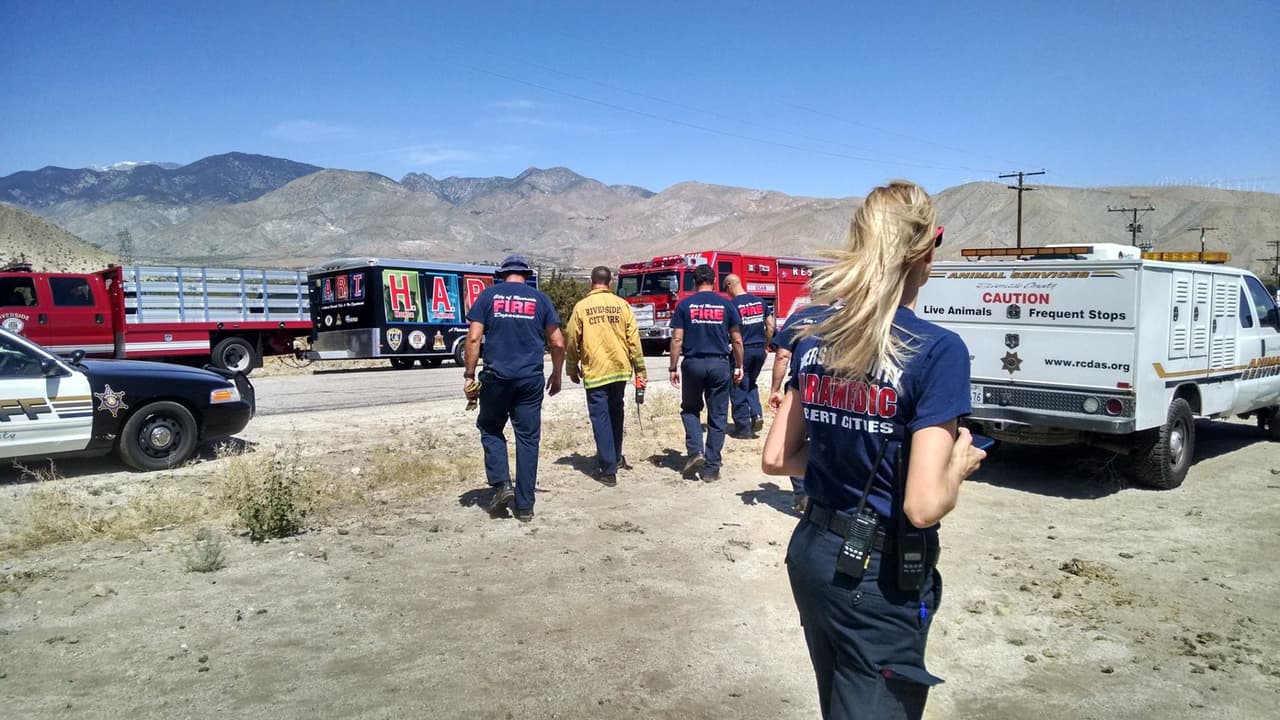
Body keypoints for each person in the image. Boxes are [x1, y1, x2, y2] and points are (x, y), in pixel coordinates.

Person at [762, 182, 985, 719]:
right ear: (927, 247)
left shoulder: (815, 339)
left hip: (813, 551)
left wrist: (848, 453)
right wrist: (957, 464)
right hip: (878, 572)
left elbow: (775, 458)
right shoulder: (937, 350)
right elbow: (923, 506)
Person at [464, 255, 565, 522]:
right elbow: (557, 343)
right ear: (527, 276)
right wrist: (556, 374)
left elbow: (473, 338)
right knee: (528, 438)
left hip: (496, 377)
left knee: (489, 427)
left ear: (502, 275)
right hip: (530, 380)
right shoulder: (540, 300)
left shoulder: (488, 297)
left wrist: (469, 374)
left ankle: (501, 484)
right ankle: (525, 507)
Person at [564, 265, 647, 486]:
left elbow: (571, 339)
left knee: (600, 418)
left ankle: (609, 469)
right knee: (616, 413)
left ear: (592, 282)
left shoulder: (582, 307)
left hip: (596, 371)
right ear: (609, 283)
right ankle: (616, 456)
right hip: (620, 370)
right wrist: (640, 370)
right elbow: (634, 341)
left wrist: (571, 367)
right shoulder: (623, 306)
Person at [669, 263, 744, 482]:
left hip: (692, 363)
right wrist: (739, 366)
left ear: (694, 281)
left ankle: (695, 451)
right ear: (714, 282)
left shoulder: (684, 305)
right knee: (718, 415)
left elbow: (677, 339)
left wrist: (673, 366)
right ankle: (711, 468)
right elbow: (737, 340)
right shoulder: (727, 305)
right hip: (719, 364)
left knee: (690, 409)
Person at [766, 299, 832, 513]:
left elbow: (783, 355)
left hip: (801, 387)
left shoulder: (798, 317)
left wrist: (775, 389)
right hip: (832, 390)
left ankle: (802, 492)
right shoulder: (842, 318)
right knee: (826, 438)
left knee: (794, 441)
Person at [725, 274, 774, 438]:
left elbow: (732, 334)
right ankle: (756, 414)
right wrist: (766, 345)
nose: (727, 293)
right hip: (760, 349)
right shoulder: (759, 301)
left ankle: (743, 428)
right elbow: (771, 325)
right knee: (751, 383)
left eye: (726, 289)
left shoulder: (732, 305)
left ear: (731, 285)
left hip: (743, 350)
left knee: (738, 386)